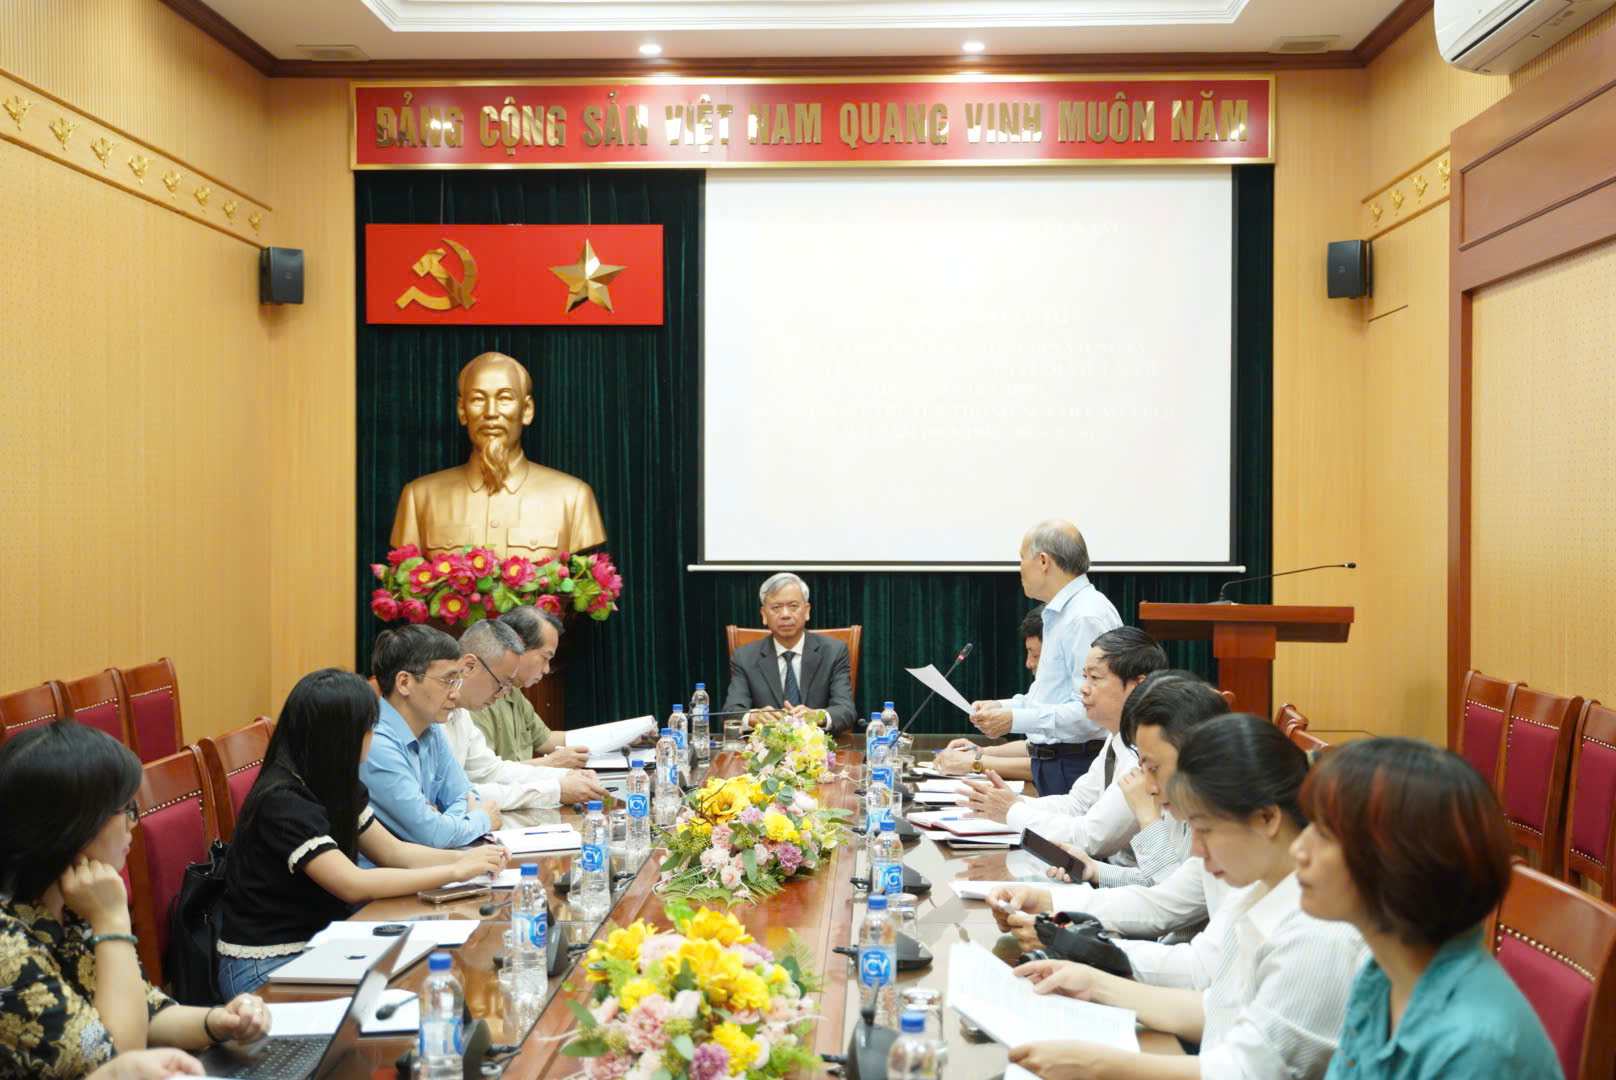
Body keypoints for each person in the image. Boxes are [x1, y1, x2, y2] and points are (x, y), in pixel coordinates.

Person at [1007, 715, 1366, 1079]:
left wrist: (1098, 1066)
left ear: (1266, 819)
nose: (1196, 847)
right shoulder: (1259, 889)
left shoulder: (1319, 932)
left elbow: (1249, 1071)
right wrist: (1092, 982)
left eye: (1205, 829)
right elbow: (1219, 1008)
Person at [0, 722, 271, 1079]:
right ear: (75, 825)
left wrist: (217, 1021)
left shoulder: (73, 900)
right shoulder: (10, 949)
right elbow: (115, 1062)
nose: (133, 823)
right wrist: (112, 923)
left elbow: (144, 1008)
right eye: (125, 808)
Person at [217, 670, 508, 995]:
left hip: (322, 944)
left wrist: (468, 859)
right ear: (339, 736)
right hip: (268, 964)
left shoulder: (334, 782)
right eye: (369, 728)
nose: (375, 735)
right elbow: (352, 885)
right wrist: (454, 870)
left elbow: (394, 853)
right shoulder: (283, 801)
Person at [1295, 739, 1562, 1079]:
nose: (1298, 850)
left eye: (1324, 834)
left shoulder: (1473, 1047)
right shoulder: (1381, 975)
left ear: (1398, 863)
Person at [991, 675, 1235, 978]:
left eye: (1153, 768)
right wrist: (1055, 900)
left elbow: (1174, 920)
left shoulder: (1229, 823)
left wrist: (1078, 944)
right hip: (1164, 957)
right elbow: (1165, 897)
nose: (1147, 783)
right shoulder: (1199, 806)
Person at [964, 629, 1166, 873]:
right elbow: (1077, 803)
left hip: (1122, 883)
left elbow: (1092, 838)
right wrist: (1011, 803)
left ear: (1138, 685)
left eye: (1095, 678)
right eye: (1084, 677)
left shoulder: (1144, 754)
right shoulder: (1117, 738)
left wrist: (1012, 811)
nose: (1084, 689)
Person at [390, 351, 606, 560]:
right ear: (462, 411)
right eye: (477, 399)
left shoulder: (572, 498)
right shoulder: (420, 497)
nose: (491, 412)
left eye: (504, 398)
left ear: (527, 409)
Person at [969, 520, 1122, 796]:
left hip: (1075, 764)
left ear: (1043, 561)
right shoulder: (1061, 614)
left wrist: (1014, 720)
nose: (1018, 569)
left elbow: (1091, 712)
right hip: (1056, 762)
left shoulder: (1084, 617)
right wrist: (1000, 707)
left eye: (1020, 558)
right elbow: (1051, 697)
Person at [443, 618, 607, 824]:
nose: (502, 694)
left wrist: (564, 777)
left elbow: (491, 770)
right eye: (500, 684)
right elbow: (457, 795)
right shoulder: (434, 714)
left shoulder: (461, 713)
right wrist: (555, 789)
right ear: (469, 666)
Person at [359, 624, 507, 847]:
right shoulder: (376, 744)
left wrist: (444, 821)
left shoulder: (432, 728)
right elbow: (432, 835)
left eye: (457, 681)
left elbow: (467, 796)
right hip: (385, 875)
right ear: (404, 682)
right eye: (447, 681)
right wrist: (481, 819)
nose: (456, 693)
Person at [720, 572, 856, 733]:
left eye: (793, 606)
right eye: (776, 607)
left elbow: (846, 710)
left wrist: (817, 715)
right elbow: (730, 712)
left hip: (818, 751)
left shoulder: (834, 652)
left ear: (806, 611)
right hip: (765, 751)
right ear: (764, 615)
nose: (785, 615)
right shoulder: (744, 657)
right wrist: (752, 717)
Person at [933, 606, 1044, 780]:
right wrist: (981, 751)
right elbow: (1034, 747)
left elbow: (1045, 763)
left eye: (1035, 655)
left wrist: (975, 762)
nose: (1028, 664)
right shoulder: (1045, 685)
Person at [471, 607, 591, 769]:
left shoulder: (515, 692)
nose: (546, 669)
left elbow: (545, 739)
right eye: (545, 657)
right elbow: (484, 773)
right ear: (517, 645)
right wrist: (550, 763)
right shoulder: (475, 697)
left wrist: (620, 736)